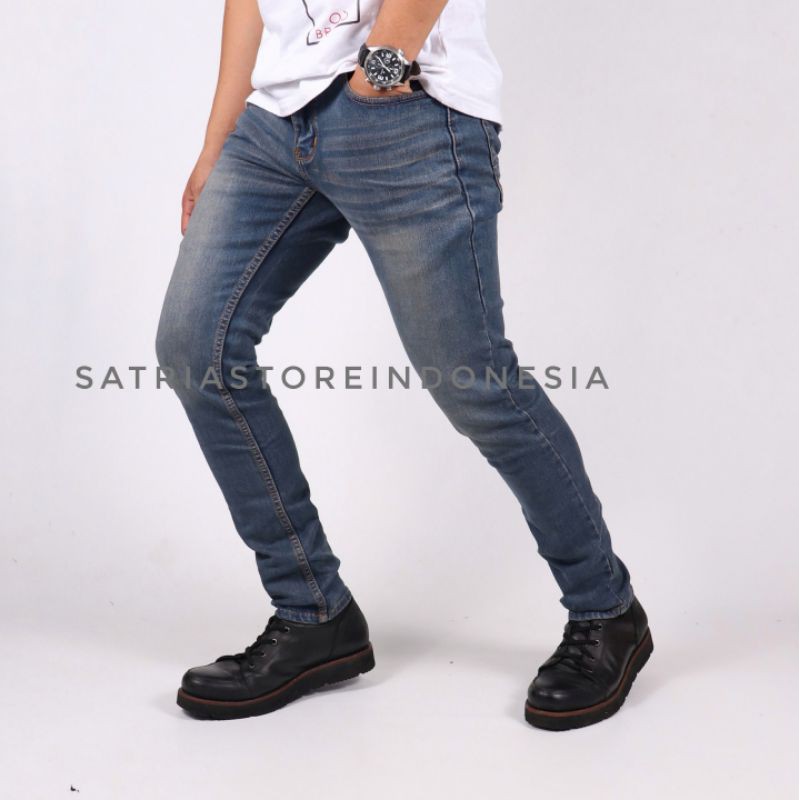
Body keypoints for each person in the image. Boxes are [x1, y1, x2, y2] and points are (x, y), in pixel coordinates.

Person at [155, 0, 653, 731]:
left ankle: (606, 610)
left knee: (474, 383)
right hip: (276, 121)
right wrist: (217, 139)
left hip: (410, 108)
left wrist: (381, 70)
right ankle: (313, 614)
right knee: (196, 347)